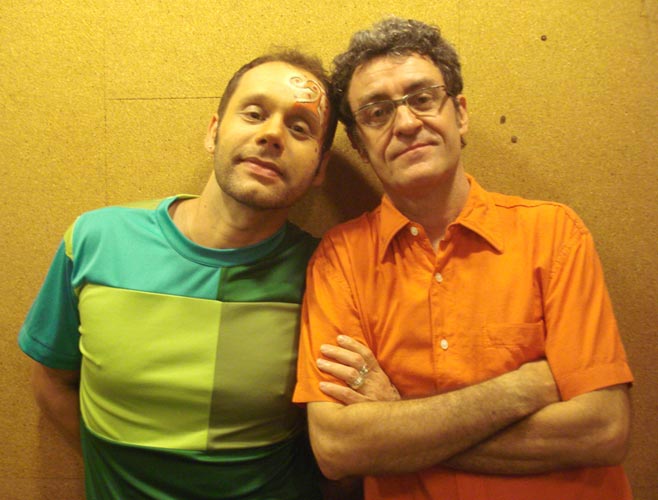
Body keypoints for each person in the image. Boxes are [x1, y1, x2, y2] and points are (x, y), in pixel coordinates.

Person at [293, 17, 633, 500]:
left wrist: (397, 420)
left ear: (461, 113)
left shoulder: (554, 234)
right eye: (377, 112)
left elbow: (603, 430)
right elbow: (338, 448)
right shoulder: (339, 259)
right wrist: (520, 390)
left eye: (422, 98)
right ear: (361, 147)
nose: (406, 124)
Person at [18, 49, 340, 499]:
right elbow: (51, 380)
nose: (271, 134)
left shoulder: (329, 273)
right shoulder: (94, 241)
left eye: (300, 127)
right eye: (254, 113)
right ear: (213, 131)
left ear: (320, 168)